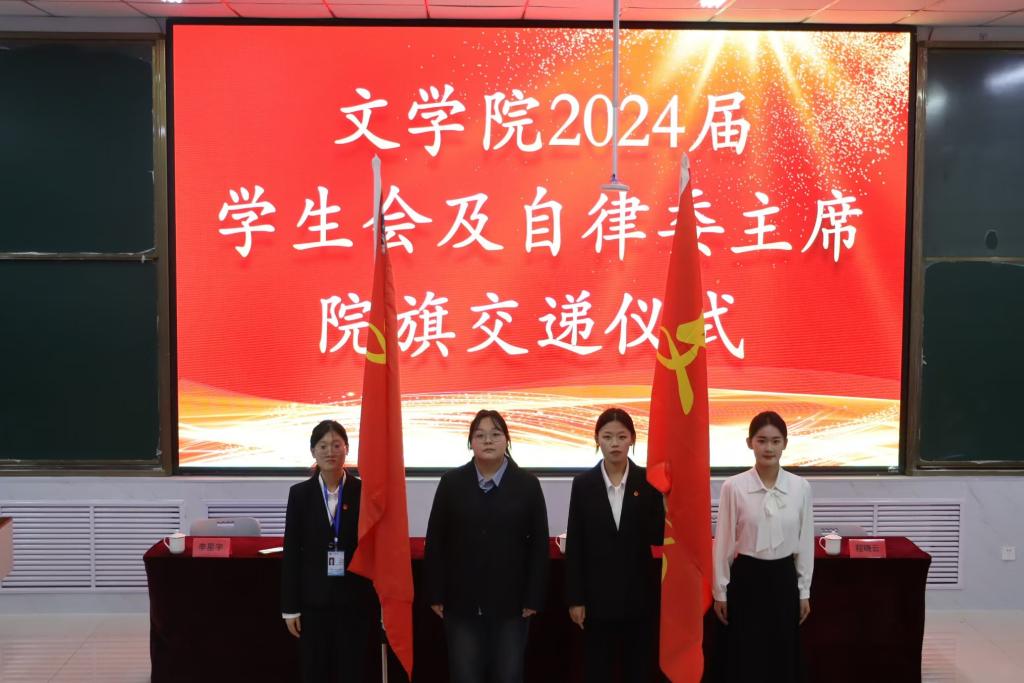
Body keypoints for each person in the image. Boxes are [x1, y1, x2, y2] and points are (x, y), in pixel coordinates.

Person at [424, 409, 550, 683]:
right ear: (471, 443)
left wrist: (534, 597)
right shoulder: (451, 483)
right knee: (465, 675)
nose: (488, 441)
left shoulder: (527, 484)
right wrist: (436, 592)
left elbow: (539, 546)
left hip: (512, 603)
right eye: (480, 435)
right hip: (461, 602)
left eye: (495, 434)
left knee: (509, 675)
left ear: (507, 440)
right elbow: (436, 541)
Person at [565, 408, 665, 683]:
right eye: (607, 437)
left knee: (638, 670)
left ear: (632, 439)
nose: (615, 443)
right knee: (599, 670)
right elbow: (576, 544)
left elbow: (657, 537)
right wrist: (575, 598)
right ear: (597, 439)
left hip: (640, 597)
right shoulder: (583, 485)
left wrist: (668, 502)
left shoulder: (649, 481)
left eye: (621, 437)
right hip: (597, 599)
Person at [712, 411, 813, 683]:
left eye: (775, 441)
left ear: (785, 444)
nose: (769, 448)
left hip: (783, 579)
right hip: (747, 579)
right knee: (747, 653)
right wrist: (720, 591)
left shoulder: (800, 487)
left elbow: (805, 543)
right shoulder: (734, 487)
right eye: (762, 440)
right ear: (750, 443)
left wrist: (804, 590)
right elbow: (723, 542)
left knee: (781, 652)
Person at [281, 420, 378, 683]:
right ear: (313, 451)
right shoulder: (300, 494)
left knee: (352, 671)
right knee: (315, 671)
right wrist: (290, 608)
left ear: (347, 449)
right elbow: (292, 553)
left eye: (336, 445)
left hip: (354, 602)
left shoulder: (364, 492)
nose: (330, 452)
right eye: (323, 446)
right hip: (313, 603)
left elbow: (375, 549)